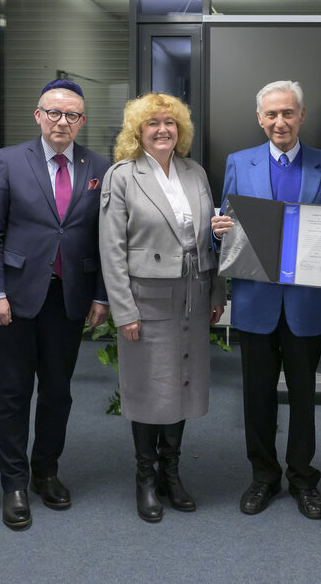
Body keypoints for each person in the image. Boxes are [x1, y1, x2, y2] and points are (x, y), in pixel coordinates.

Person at [0, 79, 110, 531]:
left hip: (68, 298)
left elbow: (103, 237)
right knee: (12, 394)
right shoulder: (10, 161)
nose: (62, 121)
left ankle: (46, 471)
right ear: (38, 116)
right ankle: (14, 482)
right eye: (53, 113)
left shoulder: (99, 166)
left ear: (82, 121)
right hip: (13, 299)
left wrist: (100, 294)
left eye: (71, 115)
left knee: (58, 392)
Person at [211, 80, 321, 520]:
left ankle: (303, 478)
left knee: (305, 395)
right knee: (256, 396)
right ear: (259, 118)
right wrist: (219, 233)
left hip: (306, 303)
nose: (279, 122)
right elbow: (226, 229)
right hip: (255, 302)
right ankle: (263, 477)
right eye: (271, 114)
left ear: (302, 116)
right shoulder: (238, 162)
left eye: (287, 113)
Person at [99, 93, 225, 523]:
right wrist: (124, 310)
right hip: (147, 299)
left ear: (181, 130)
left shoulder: (195, 172)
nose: (162, 130)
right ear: (138, 131)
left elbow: (213, 237)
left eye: (170, 123)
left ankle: (172, 472)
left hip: (195, 292)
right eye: (152, 123)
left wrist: (217, 292)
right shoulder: (122, 177)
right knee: (149, 385)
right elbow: (111, 250)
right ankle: (145, 476)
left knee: (183, 383)